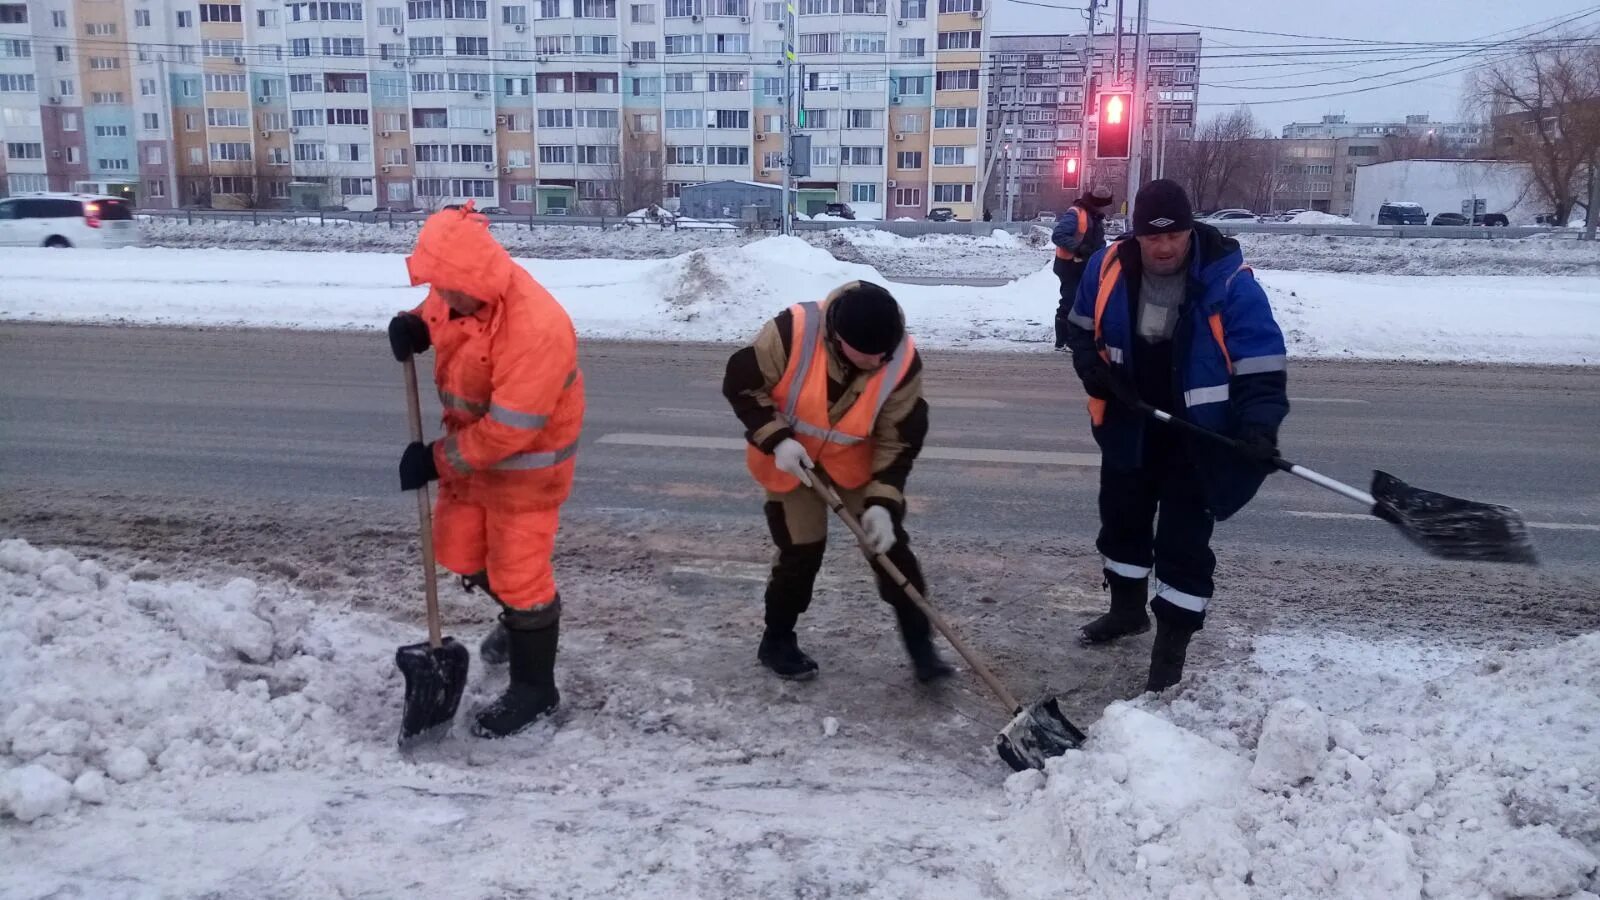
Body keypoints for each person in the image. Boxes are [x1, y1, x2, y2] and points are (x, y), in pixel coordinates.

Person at [1062, 179, 1289, 692]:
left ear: (1190, 230)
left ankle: (1170, 653)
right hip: (1130, 422)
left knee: (1183, 544)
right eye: (1152, 238)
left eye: (1175, 236)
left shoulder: (1229, 284)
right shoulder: (1107, 267)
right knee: (1121, 522)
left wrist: (1259, 427)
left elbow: (1262, 368)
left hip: (1197, 438)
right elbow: (1078, 326)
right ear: (1135, 235)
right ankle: (1126, 612)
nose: (1164, 248)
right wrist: (1091, 369)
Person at [388, 200, 586, 738]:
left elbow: (509, 430)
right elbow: (443, 312)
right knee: (459, 550)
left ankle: (535, 688)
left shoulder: (535, 328)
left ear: (476, 279)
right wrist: (416, 328)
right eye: (438, 287)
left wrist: (434, 460)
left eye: (447, 288)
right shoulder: (462, 291)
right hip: (473, 456)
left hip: (526, 469)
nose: (441, 297)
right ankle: (523, 621)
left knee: (520, 574)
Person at [723, 281, 954, 684]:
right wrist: (777, 439)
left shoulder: (900, 360)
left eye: (886, 352)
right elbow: (742, 386)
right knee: (801, 552)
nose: (880, 360)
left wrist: (883, 502)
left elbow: (899, 436)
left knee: (891, 551)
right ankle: (777, 640)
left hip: (854, 464)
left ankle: (922, 650)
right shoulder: (790, 332)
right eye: (869, 355)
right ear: (838, 339)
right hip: (792, 462)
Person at [1052, 189, 1115, 351]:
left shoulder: (1094, 217)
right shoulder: (1076, 214)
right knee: (1070, 300)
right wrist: (1079, 248)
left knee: (1081, 302)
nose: (1104, 210)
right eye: (1103, 206)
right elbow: (1058, 235)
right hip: (1069, 265)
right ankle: (1062, 341)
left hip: (1083, 265)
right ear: (1097, 204)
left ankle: (1075, 338)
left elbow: (1097, 243)